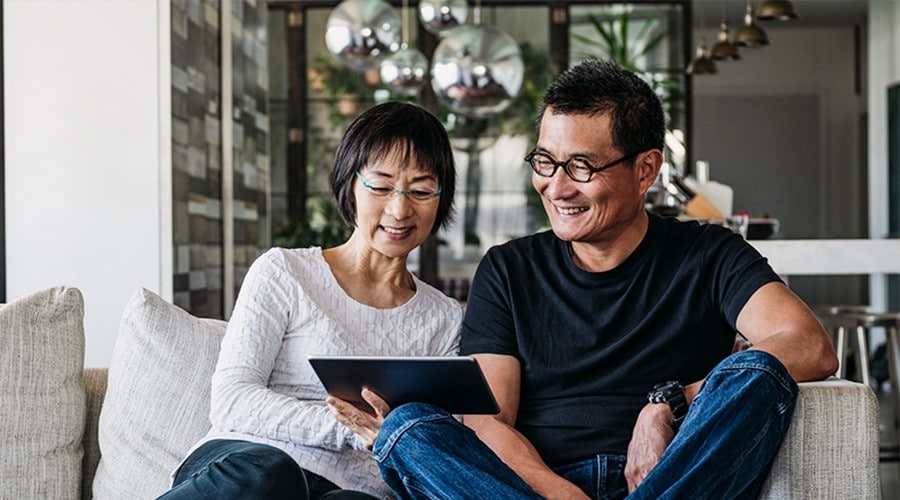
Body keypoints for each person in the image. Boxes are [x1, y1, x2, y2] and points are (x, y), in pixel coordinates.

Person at [329, 60, 838, 499]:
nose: (556, 186)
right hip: (534, 488)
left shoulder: (708, 253)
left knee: (753, 372)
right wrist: (560, 494)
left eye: (581, 167)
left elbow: (809, 347)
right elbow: (489, 421)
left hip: (670, 478)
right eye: (546, 161)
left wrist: (669, 402)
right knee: (408, 426)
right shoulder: (509, 268)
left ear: (646, 170)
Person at [157, 101, 462, 500]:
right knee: (272, 474)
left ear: (441, 198)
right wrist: (352, 430)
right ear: (350, 184)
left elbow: (434, 440)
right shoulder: (284, 272)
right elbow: (232, 400)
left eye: (421, 190)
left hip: (353, 486)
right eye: (381, 185)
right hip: (248, 466)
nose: (400, 208)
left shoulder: (443, 318)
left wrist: (395, 439)